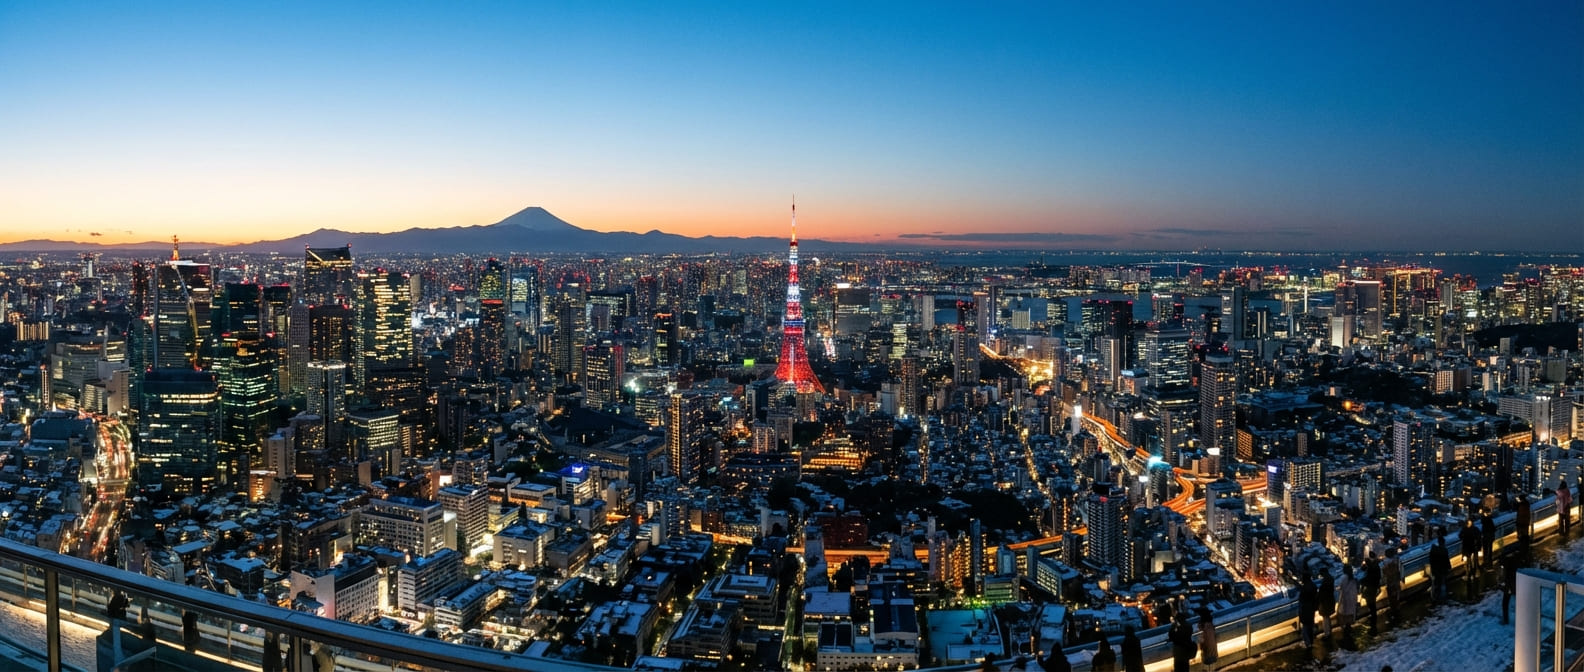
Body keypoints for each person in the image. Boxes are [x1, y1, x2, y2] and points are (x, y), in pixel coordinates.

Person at [1338, 562, 1360, 646]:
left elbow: (1340, 588)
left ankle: (1346, 639)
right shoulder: (1353, 579)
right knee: (1349, 619)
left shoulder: (1344, 578)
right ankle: (1348, 634)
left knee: (1344, 618)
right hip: (1352, 600)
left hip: (1345, 601)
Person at [1429, 530, 1452, 603]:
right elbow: (1446, 560)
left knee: (1437, 584)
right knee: (1443, 582)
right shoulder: (1444, 550)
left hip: (1435, 570)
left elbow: (1431, 561)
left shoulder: (1433, 550)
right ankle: (1443, 597)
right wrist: (1449, 567)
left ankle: (1436, 597)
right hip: (1442, 569)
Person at [1501, 543, 1521, 626]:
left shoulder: (1507, 562)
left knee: (1505, 603)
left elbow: (1505, 572)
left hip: (1510, 585)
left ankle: (1506, 620)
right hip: (1516, 584)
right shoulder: (1517, 560)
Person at [1458, 520, 1480, 597]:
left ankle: (1468, 573)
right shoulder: (1475, 529)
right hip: (1473, 548)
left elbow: (1460, 536)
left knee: (1467, 562)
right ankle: (1474, 573)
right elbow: (1479, 537)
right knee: (1473, 561)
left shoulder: (1464, 530)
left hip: (1466, 549)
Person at [1361, 555, 1382, 632]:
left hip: (1371, 587)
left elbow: (1369, 578)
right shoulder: (1375, 568)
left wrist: (1362, 582)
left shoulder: (1372, 569)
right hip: (1373, 587)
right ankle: (1373, 615)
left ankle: (1373, 617)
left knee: (1371, 602)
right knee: (1371, 602)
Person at [1298, 572, 1318, 649]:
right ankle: (1311, 641)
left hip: (1305, 609)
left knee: (1305, 627)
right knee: (1310, 625)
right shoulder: (1313, 586)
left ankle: (1308, 644)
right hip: (1311, 608)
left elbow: (1302, 599)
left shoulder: (1305, 588)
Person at [1382, 549, 1403, 623]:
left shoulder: (1387, 564)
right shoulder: (1396, 561)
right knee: (1396, 597)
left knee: (1392, 598)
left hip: (1391, 583)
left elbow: (1385, 573)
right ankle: (1397, 610)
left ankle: (1395, 612)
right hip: (1396, 583)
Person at [1197, 604, 1218, 668]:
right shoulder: (1211, 626)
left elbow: (1203, 641)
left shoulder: (1204, 628)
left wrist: (1201, 646)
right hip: (1213, 653)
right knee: (1212, 667)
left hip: (1207, 654)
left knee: (1207, 667)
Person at [1318, 570, 1336, 639]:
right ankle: (1329, 632)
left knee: (1325, 618)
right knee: (1327, 618)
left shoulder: (1324, 585)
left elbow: (1321, 594)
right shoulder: (1330, 582)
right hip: (1330, 601)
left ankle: (1327, 634)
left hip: (1325, 603)